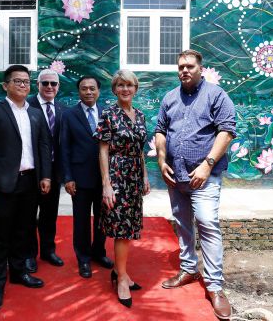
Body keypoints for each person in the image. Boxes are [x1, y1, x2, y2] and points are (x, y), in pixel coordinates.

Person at [154, 49, 237, 320]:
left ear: (201, 68)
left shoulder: (216, 95)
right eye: (180, 67)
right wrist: (162, 160)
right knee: (182, 223)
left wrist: (207, 164)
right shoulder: (169, 98)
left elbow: (226, 131)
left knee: (207, 224)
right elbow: (160, 131)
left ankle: (215, 287)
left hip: (205, 176)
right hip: (175, 176)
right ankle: (189, 268)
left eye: (190, 66)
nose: (184, 70)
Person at [0, 65, 52, 313]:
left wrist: (46, 176)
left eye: (26, 81)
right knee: (1, 236)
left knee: (24, 231)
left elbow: (42, 147)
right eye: (17, 81)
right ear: (5, 85)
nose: (23, 85)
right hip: (4, 184)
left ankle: (19, 273)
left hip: (30, 181)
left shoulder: (35, 113)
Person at [95, 69, 150, 308]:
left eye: (129, 85)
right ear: (115, 89)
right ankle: (121, 280)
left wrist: (145, 177)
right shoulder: (108, 113)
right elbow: (103, 150)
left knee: (130, 225)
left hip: (135, 176)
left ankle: (120, 272)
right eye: (120, 85)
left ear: (135, 88)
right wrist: (106, 184)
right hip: (117, 174)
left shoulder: (140, 115)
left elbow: (139, 150)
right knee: (121, 228)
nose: (125, 89)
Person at [60, 75, 114, 279]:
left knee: (102, 220)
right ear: (79, 91)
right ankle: (83, 258)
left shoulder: (107, 113)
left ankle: (98, 252)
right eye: (84, 89)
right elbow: (64, 147)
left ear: (99, 91)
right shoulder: (69, 115)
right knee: (81, 221)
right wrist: (68, 177)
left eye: (92, 88)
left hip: (103, 178)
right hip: (79, 179)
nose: (89, 92)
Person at [25, 69, 66, 271]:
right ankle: (29, 255)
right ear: (38, 85)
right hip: (32, 172)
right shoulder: (26, 106)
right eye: (45, 83)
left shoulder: (61, 109)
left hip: (54, 172)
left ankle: (48, 251)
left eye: (53, 84)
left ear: (58, 87)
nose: (50, 87)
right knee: (29, 216)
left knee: (50, 215)